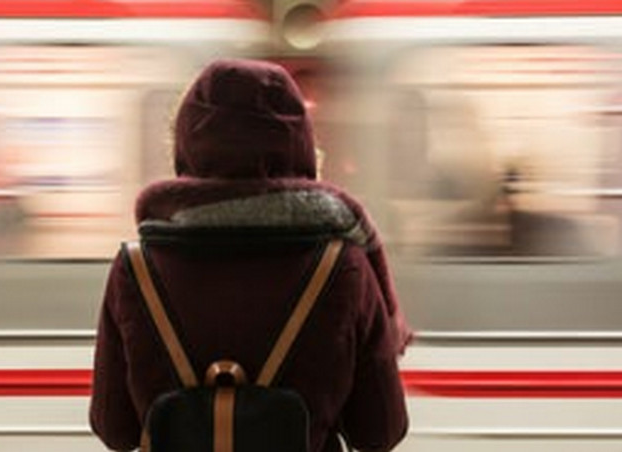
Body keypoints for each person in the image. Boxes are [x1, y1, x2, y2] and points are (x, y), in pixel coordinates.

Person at [90, 59, 409, 452]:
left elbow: (113, 429)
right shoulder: (344, 267)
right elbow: (381, 431)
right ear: (301, 146)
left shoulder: (135, 269)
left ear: (187, 145)